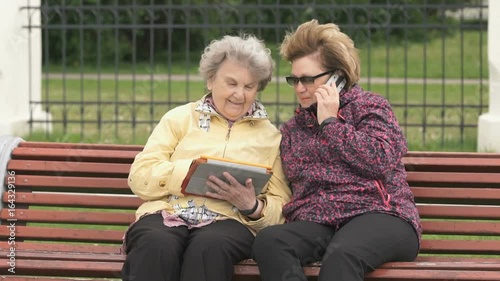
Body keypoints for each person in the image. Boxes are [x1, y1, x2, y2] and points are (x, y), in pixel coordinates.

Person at [252, 19, 422, 281]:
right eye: (294, 79)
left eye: (308, 79)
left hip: (382, 216)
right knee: (270, 241)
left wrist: (331, 122)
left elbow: (379, 160)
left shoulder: (370, 108)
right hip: (323, 224)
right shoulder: (293, 129)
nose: (299, 88)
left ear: (337, 77)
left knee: (343, 255)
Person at [121, 33, 292, 281]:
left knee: (209, 248)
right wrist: (188, 173)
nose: (239, 95)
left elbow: (280, 206)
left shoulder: (271, 137)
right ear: (211, 80)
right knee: (157, 244)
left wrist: (252, 207)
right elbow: (140, 176)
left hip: (230, 222)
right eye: (231, 83)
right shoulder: (179, 118)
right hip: (168, 212)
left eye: (249, 86)